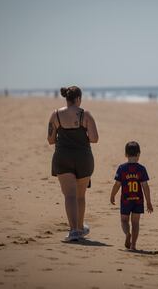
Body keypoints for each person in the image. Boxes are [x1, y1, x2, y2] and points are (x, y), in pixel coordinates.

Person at [47, 86, 99, 241]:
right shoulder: (85, 114)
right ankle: (80, 228)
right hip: (83, 158)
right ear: (78, 99)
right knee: (80, 196)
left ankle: (74, 230)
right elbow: (95, 138)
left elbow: (50, 140)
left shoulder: (55, 115)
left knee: (69, 195)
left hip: (63, 157)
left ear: (67, 99)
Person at [110, 141, 153, 250]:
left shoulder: (122, 168)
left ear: (125, 154)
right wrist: (148, 202)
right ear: (138, 154)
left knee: (124, 220)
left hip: (126, 200)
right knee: (135, 223)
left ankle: (127, 234)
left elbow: (117, 184)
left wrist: (112, 195)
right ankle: (133, 245)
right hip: (138, 200)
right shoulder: (141, 169)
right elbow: (145, 187)